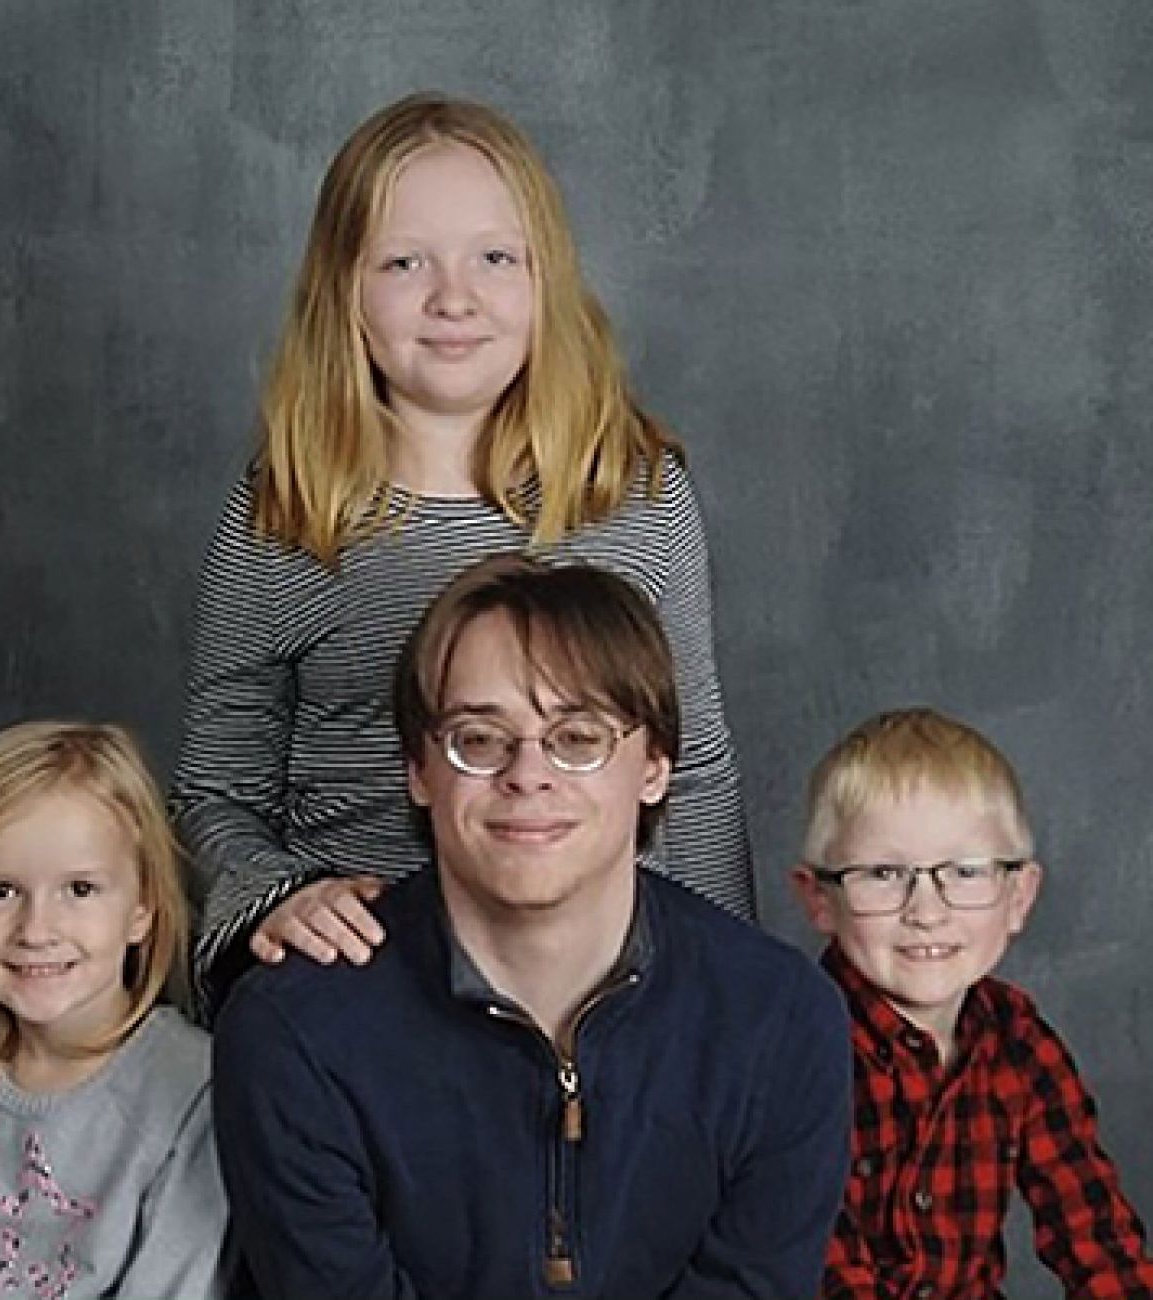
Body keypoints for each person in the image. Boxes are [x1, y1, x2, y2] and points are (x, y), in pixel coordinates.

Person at [169, 91, 754, 1013]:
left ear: (545, 277)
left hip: (593, 991)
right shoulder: (287, 514)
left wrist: (724, 1005)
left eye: (494, 257)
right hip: (362, 987)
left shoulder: (633, 496)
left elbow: (699, 770)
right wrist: (278, 901)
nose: (454, 298)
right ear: (344, 291)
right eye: (404, 263)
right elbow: (212, 792)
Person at [213, 554, 850, 1300]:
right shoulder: (292, 1032)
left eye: (578, 737)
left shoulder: (780, 1021)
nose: (528, 774)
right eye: (478, 739)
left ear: (656, 765)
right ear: (419, 769)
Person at [790, 707, 1153, 1298]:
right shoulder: (797, 1048)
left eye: (964, 872)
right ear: (820, 899)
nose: (927, 912)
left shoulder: (1020, 1044)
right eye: (883, 873)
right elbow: (820, 1265)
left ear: (1018, 896)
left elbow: (1095, 1233)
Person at [0, 721, 230, 1300]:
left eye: (80, 890)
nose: (36, 931)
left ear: (142, 906)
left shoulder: (195, 1089)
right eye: (0, 891)